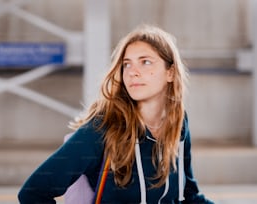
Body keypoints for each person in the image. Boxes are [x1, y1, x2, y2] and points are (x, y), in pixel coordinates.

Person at [18, 24, 214, 204]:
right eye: (127, 64)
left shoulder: (178, 123)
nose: (132, 72)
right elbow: (33, 192)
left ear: (170, 72)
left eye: (145, 62)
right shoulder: (102, 127)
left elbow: (189, 196)